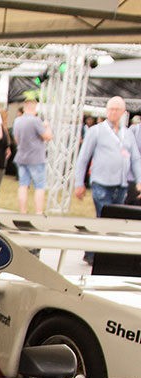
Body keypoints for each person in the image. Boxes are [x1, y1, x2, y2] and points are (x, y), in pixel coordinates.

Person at [75, 96, 141, 264]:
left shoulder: (127, 133)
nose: (113, 113)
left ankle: (102, 251)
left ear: (123, 112)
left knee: (114, 219)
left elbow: (135, 159)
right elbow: (83, 158)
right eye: (110, 109)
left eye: (117, 109)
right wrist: (79, 183)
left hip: (121, 184)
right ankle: (93, 253)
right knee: (103, 215)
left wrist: (139, 179)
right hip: (101, 182)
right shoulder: (96, 131)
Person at [12, 98, 52, 214]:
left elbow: (16, 139)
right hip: (36, 158)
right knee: (39, 186)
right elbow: (48, 136)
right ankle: (39, 212)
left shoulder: (17, 121)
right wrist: (47, 126)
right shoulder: (36, 121)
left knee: (23, 185)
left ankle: (23, 211)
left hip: (21, 156)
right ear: (34, 107)